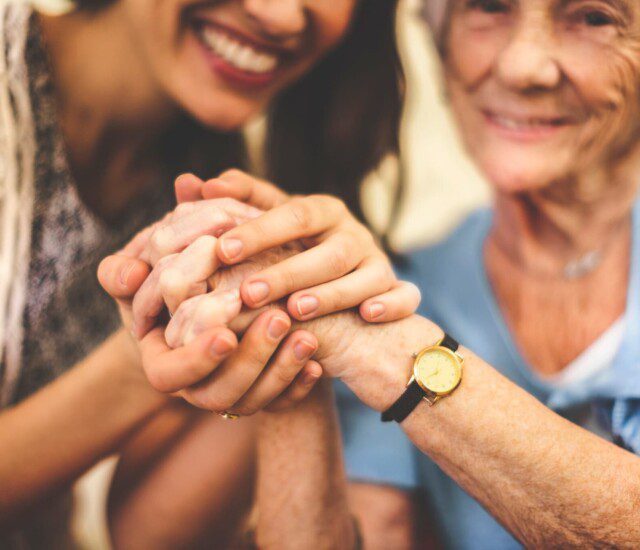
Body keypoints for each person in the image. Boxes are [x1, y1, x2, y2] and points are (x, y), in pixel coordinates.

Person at [102, 0, 640, 546]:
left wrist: (386, 352)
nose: (523, 66)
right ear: (440, 39)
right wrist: (291, 327)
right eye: (489, 7)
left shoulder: (388, 318)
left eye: (594, 17)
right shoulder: (402, 287)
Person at [0, 0, 416, 547]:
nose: (283, 16)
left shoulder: (219, 190)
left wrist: (294, 333)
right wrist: (138, 360)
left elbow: (150, 535)